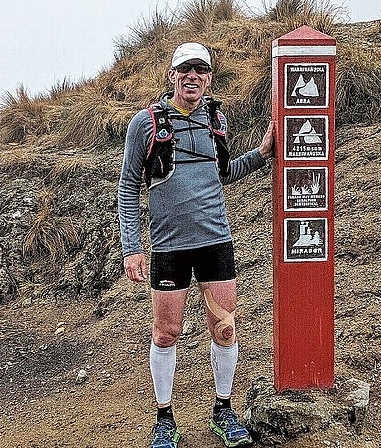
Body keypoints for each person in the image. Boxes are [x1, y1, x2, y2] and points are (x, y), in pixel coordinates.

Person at [118, 41, 274, 448]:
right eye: (185, 69)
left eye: (201, 70)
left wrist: (260, 153)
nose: (193, 76)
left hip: (215, 242)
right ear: (171, 75)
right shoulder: (145, 123)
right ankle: (164, 418)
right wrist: (132, 246)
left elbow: (222, 173)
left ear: (209, 78)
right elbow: (128, 186)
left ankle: (223, 410)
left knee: (224, 328)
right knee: (166, 332)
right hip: (168, 247)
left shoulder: (216, 119)